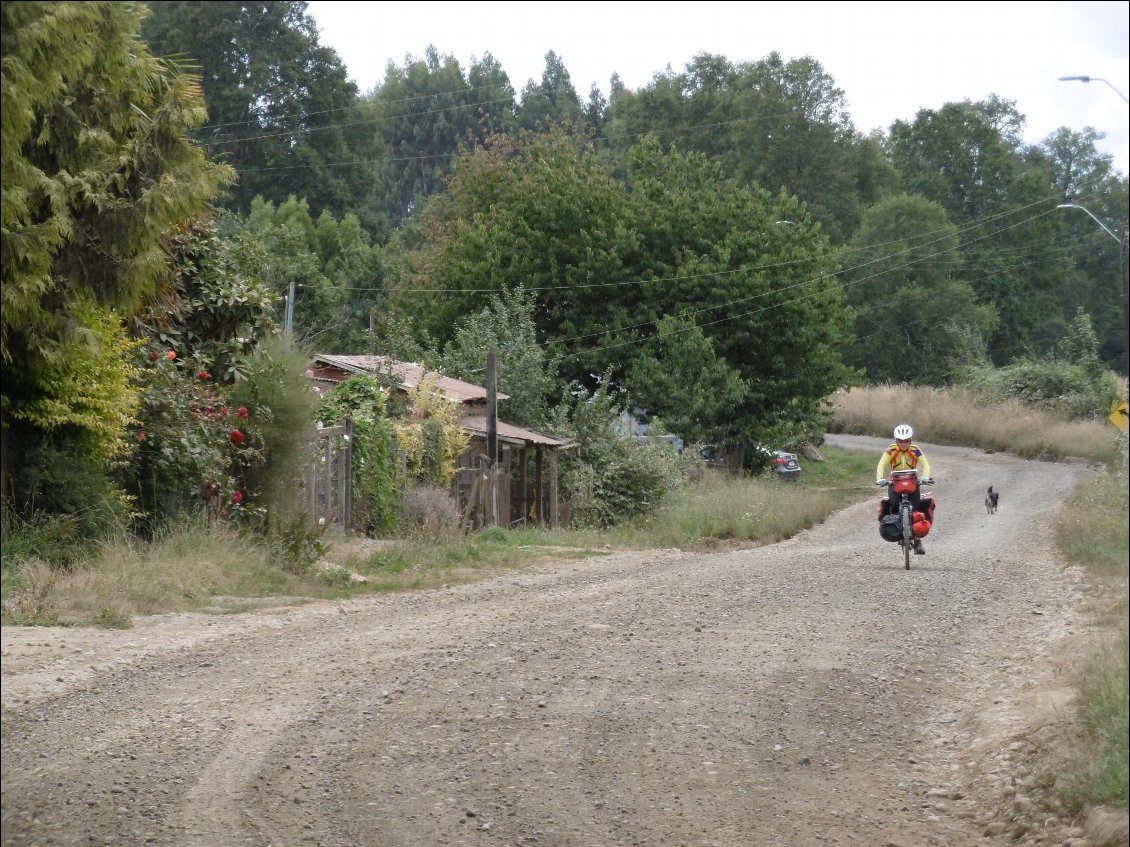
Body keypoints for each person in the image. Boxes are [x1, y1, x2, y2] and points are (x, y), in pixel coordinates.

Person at [876, 424, 934, 554]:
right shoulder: (891, 450)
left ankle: (918, 541)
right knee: (893, 506)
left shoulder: (915, 450)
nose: (903, 443)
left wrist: (925, 477)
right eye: (900, 441)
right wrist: (880, 478)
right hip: (895, 482)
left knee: (917, 509)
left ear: (910, 440)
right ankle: (896, 530)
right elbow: (881, 464)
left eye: (906, 440)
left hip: (912, 482)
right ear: (896, 440)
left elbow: (925, 464)